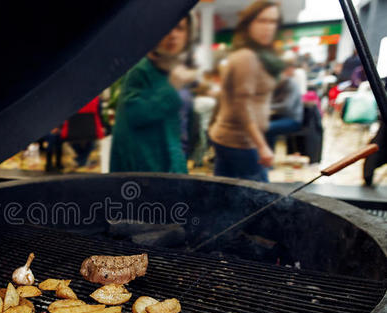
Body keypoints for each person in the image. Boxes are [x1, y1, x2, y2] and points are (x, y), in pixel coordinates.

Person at [110, 14, 196, 173]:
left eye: (180, 28)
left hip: (174, 160)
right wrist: (172, 87)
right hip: (149, 168)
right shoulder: (141, 70)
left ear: (188, 34)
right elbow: (135, 116)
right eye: (167, 27)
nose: (173, 34)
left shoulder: (173, 68)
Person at [208, 1, 283, 182]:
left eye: (273, 22)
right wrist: (262, 146)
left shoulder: (254, 55)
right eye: (262, 21)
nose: (268, 28)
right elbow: (242, 105)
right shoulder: (247, 56)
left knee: (224, 193)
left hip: (230, 136)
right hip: (240, 140)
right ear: (249, 23)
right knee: (260, 199)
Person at [265, 61, 303, 151]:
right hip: (280, 117)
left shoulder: (291, 85)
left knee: (267, 128)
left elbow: (286, 107)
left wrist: (265, 107)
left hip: (292, 120)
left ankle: (268, 159)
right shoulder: (278, 84)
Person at [60, 96, 105, 167]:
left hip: (72, 128)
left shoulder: (69, 98)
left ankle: (80, 160)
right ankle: (82, 160)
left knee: (74, 142)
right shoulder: (95, 97)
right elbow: (99, 112)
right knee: (91, 144)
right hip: (91, 128)